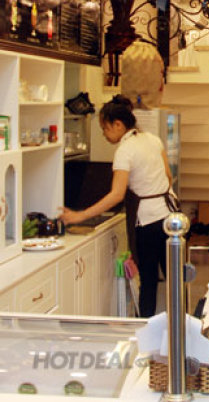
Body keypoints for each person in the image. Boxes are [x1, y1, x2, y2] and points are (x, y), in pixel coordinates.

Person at [59, 95, 178, 317]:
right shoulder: (153, 139)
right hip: (170, 217)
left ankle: (145, 329)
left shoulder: (124, 151)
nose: (104, 134)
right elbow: (168, 177)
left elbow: (116, 195)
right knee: (174, 279)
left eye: (105, 128)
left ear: (118, 125)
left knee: (149, 281)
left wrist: (79, 216)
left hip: (148, 221)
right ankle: (180, 326)